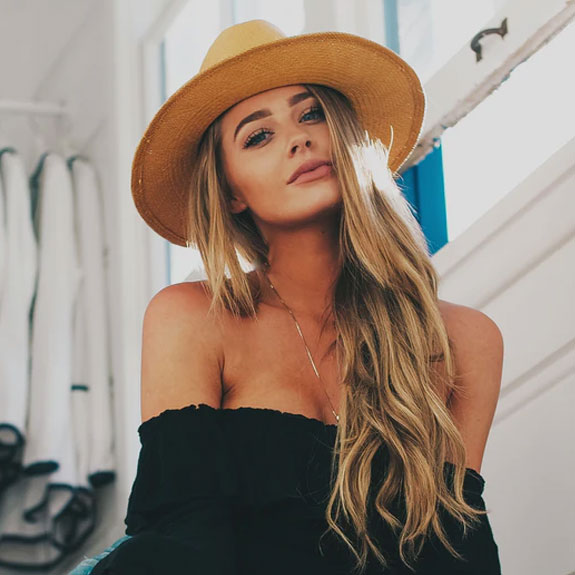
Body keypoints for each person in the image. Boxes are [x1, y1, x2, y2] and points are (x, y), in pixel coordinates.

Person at [69, 18, 503, 575]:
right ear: (230, 192)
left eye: (312, 114)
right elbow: (181, 539)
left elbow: (455, 551)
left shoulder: (464, 340)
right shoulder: (192, 317)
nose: (299, 138)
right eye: (259, 136)